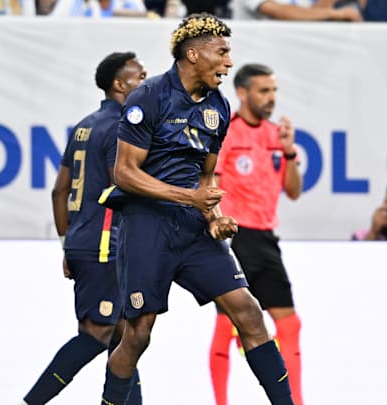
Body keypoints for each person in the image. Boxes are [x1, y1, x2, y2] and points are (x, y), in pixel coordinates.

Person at [98, 13, 294, 405]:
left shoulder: (218, 108)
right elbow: (124, 173)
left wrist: (215, 218)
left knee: (249, 312)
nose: (228, 62)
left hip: (191, 229)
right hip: (145, 227)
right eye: (221, 52)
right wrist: (190, 198)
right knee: (137, 335)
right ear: (193, 54)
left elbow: (206, 179)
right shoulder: (148, 97)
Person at [20, 51, 147, 405]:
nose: (147, 82)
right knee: (98, 332)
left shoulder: (85, 125)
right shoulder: (123, 127)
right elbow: (122, 187)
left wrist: (67, 242)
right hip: (106, 244)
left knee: (126, 336)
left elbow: (60, 189)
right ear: (120, 84)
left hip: (84, 240)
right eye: (141, 76)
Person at [210, 63, 304, 405]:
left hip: (266, 238)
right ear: (242, 92)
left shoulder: (274, 135)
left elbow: (293, 190)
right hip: (237, 237)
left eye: (274, 91)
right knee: (228, 326)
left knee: (289, 326)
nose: (271, 98)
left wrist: (289, 151)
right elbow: (212, 184)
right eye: (264, 91)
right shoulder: (227, 134)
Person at [230, 0, 363, 22]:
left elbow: (311, 15)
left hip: (292, 56)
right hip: (255, 62)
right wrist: (335, 13)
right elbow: (280, 13)